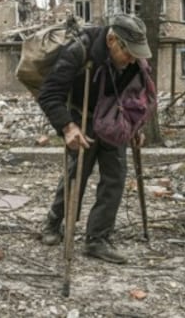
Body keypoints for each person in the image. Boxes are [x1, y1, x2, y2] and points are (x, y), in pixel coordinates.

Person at [37, 14, 153, 264]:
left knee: (115, 177)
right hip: (83, 117)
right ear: (112, 40)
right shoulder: (80, 49)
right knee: (76, 174)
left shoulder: (134, 60)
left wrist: (135, 127)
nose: (133, 59)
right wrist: (68, 127)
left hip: (114, 119)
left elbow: (136, 95)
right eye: (129, 53)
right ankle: (54, 223)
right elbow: (49, 94)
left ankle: (97, 239)